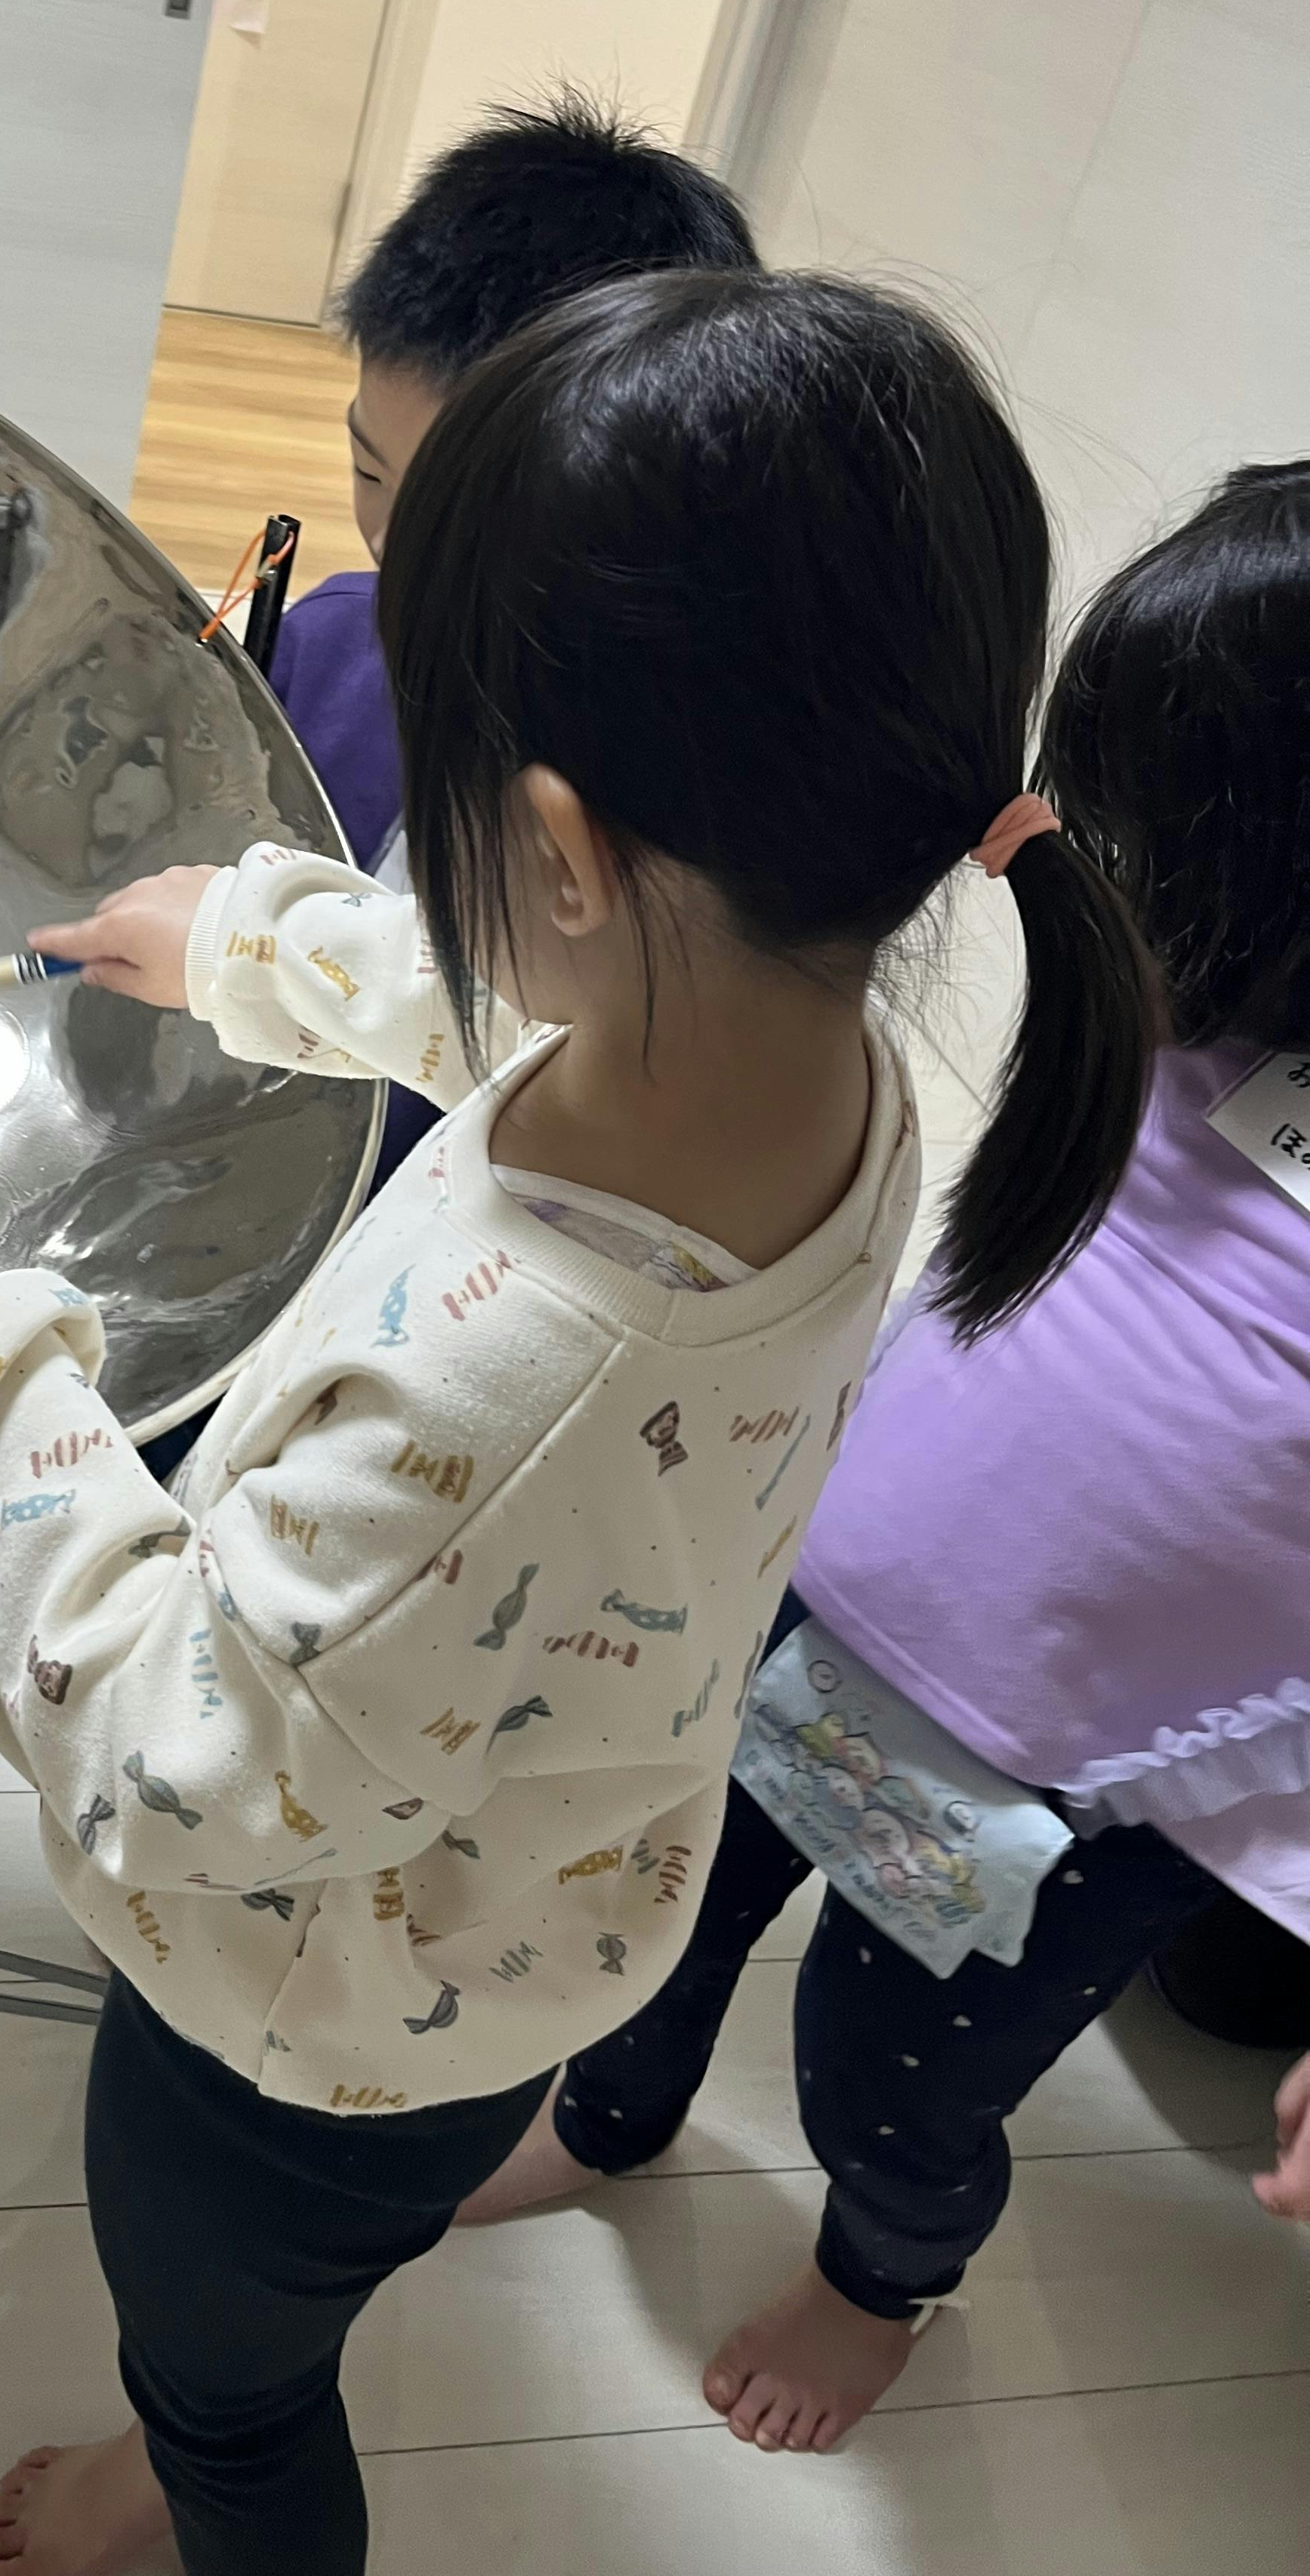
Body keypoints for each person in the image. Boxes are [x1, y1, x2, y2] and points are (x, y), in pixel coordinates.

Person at [0, 270, 1155, 2576]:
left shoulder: (524, 1373)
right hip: (513, 1906)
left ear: (557, 849)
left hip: (310, 2021)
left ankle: (193, 2473)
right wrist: (259, 947)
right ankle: (188, 2434)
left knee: (232, 2383)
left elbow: (180, 1749)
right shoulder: (820, 1076)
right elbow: (533, 1024)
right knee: (258, 2332)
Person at [455, 460, 1310, 2451]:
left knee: (887, 2083)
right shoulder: (1184, 1000)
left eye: (1166, 840)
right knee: (647, 1903)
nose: (1116, 879)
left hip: (1073, 1776)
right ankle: (608, 2109)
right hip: (795, 1596)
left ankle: (879, 2282)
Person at [270, 94, 760, 1195]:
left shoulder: (673, 828)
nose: (401, 553)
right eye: (369, 472)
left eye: (466, 519)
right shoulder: (331, 645)